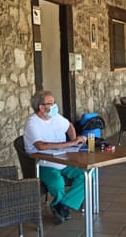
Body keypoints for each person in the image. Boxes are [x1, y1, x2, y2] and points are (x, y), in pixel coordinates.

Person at [23, 90, 87, 224]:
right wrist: (70, 143)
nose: (55, 106)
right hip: (44, 164)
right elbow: (40, 146)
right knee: (58, 183)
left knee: (87, 173)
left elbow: (69, 125)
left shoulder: (55, 117)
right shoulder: (32, 123)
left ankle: (62, 205)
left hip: (63, 160)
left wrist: (75, 141)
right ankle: (62, 206)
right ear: (41, 107)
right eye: (51, 103)